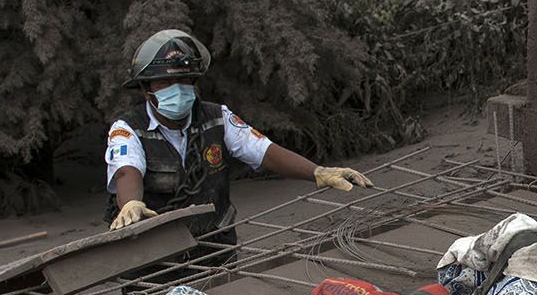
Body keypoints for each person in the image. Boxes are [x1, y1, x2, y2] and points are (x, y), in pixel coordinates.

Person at [104, 29, 372, 258]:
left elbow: (263, 150)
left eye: (184, 80)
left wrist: (317, 172)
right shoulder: (127, 129)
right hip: (154, 261)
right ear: (146, 88)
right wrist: (129, 204)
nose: (178, 88)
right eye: (166, 82)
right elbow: (127, 170)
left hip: (215, 250)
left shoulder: (218, 117)